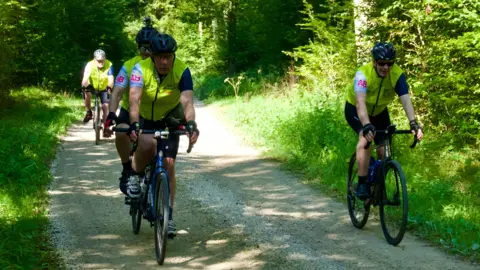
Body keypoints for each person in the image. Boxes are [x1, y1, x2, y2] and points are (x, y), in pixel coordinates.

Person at [127, 32, 199, 237]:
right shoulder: (140, 69)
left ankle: (169, 216)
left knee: (169, 164)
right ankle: (135, 176)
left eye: (169, 56)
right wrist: (133, 125)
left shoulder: (182, 69)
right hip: (145, 116)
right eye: (160, 57)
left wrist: (192, 124)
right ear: (152, 56)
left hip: (169, 117)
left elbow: (187, 101)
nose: (165, 61)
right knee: (147, 144)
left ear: (173, 56)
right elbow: (135, 100)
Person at [344, 41, 424, 200]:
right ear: (374, 62)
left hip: (379, 111)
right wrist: (366, 125)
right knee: (365, 138)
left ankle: (377, 181)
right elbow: (360, 102)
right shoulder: (362, 74)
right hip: (356, 109)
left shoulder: (397, 74)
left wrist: (413, 122)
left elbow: (406, 99)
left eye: (390, 64)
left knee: (383, 150)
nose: (386, 67)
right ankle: (361, 183)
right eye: (382, 63)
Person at [103, 18, 159, 194]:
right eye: (142, 47)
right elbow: (118, 91)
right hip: (130, 109)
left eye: (150, 47)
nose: (146, 52)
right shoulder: (129, 66)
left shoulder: (162, 64)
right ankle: (128, 170)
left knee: (154, 144)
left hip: (153, 112)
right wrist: (111, 113)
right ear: (138, 48)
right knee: (121, 131)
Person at [81, 49, 114, 123]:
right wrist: (84, 86)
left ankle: (106, 126)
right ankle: (89, 112)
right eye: (98, 61)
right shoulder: (90, 65)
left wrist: (109, 88)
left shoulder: (109, 64)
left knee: (106, 107)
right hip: (92, 86)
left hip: (104, 87)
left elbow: (111, 78)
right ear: (94, 59)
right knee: (86, 93)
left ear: (105, 58)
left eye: (102, 60)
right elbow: (85, 77)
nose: (101, 62)